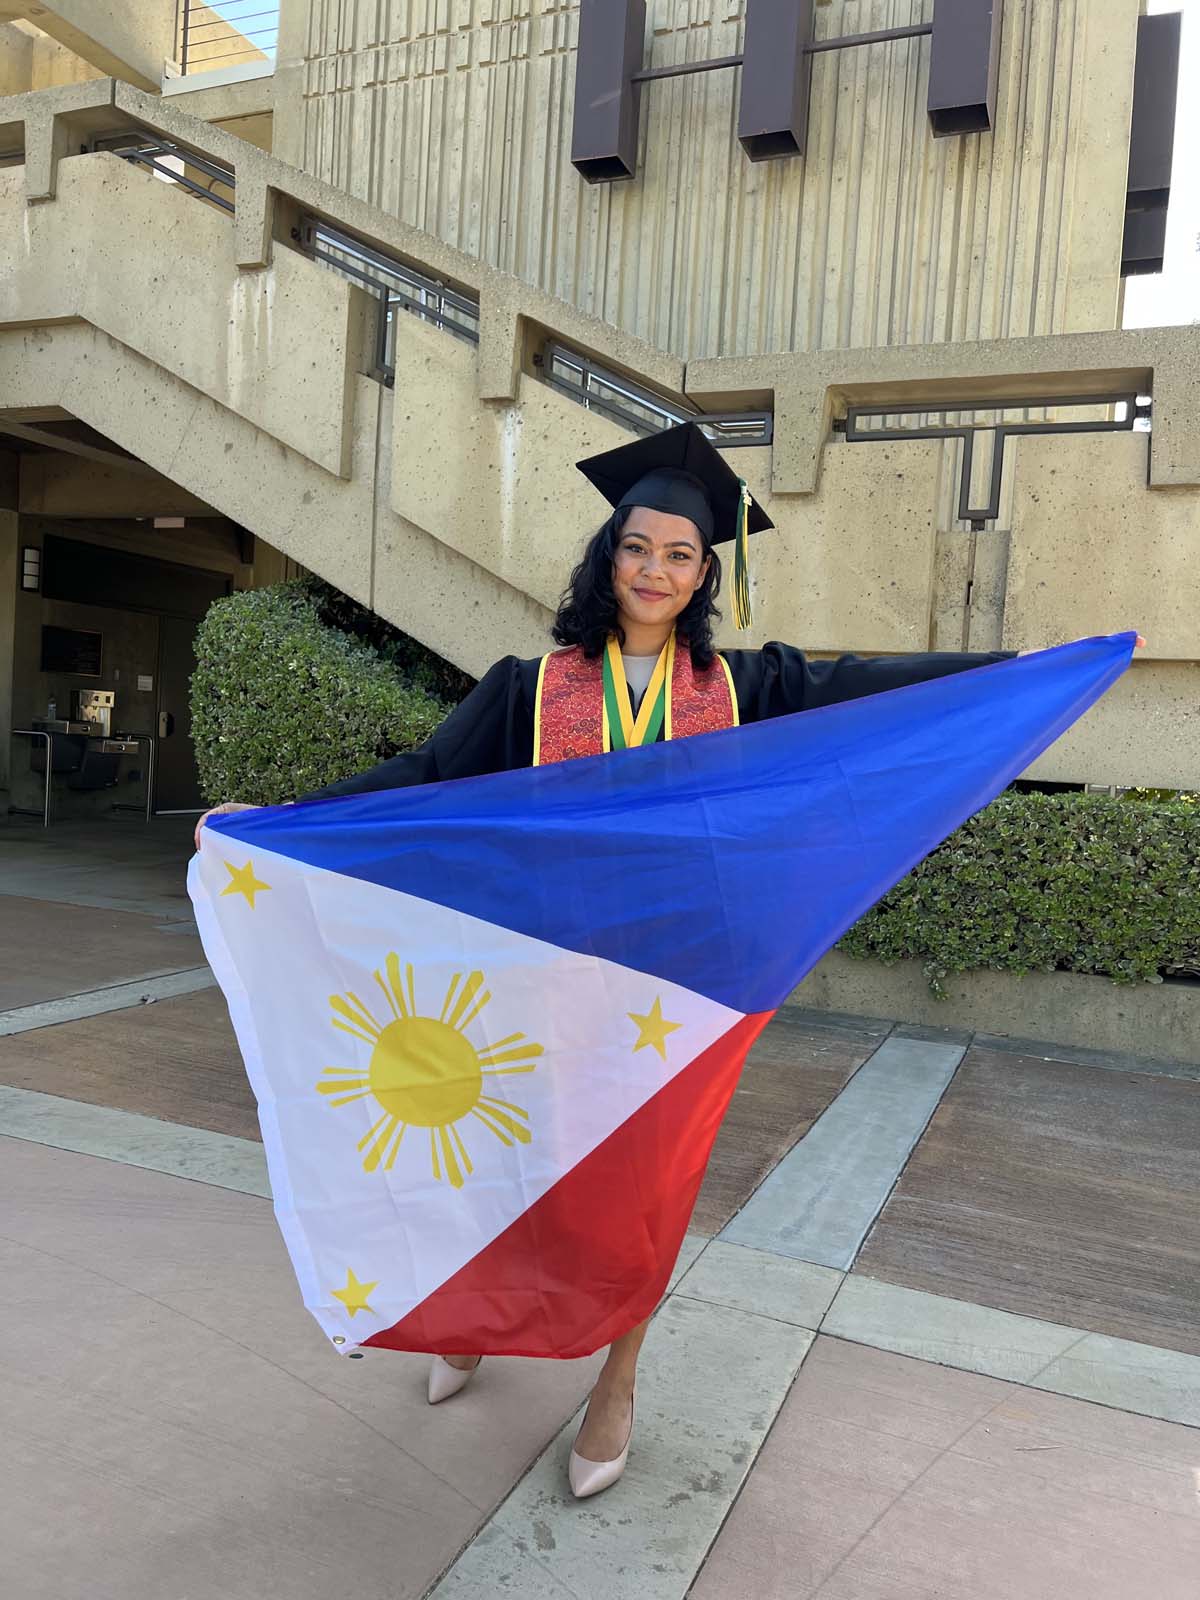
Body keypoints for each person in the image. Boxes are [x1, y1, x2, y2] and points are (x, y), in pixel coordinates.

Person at [194, 421, 1134, 1499]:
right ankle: (475, 1324)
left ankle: (617, 1381)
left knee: (641, 1194)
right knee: (510, 1161)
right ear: (609, 557)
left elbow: (874, 686)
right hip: (536, 982)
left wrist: (1024, 672)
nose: (655, 570)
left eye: (680, 555)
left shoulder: (747, 689)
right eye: (637, 548)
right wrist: (282, 821)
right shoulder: (528, 688)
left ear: (703, 575)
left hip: (675, 996)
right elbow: (424, 773)